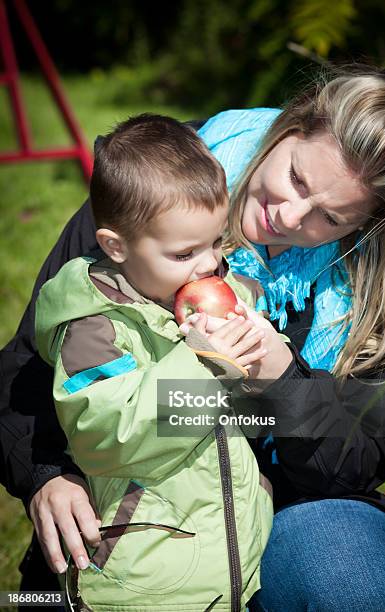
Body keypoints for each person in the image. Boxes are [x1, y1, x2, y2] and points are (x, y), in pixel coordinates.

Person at [1, 64, 385, 611]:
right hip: (146, 500)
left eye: (329, 218)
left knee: (349, 577)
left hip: (286, 503)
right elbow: (30, 363)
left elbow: (364, 458)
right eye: (296, 178)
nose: (289, 216)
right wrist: (46, 475)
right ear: (289, 127)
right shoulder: (160, 186)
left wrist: (284, 381)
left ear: (364, 226)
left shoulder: (373, 282)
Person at [34, 113, 279, 611]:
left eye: (215, 242)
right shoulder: (95, 328)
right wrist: (205, 363)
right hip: (143, 580)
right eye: (186, 252)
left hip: (223, 564)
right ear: (115, 247)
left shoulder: (186, 288)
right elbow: (108, 434)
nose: (209, 265)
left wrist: (253, 332)